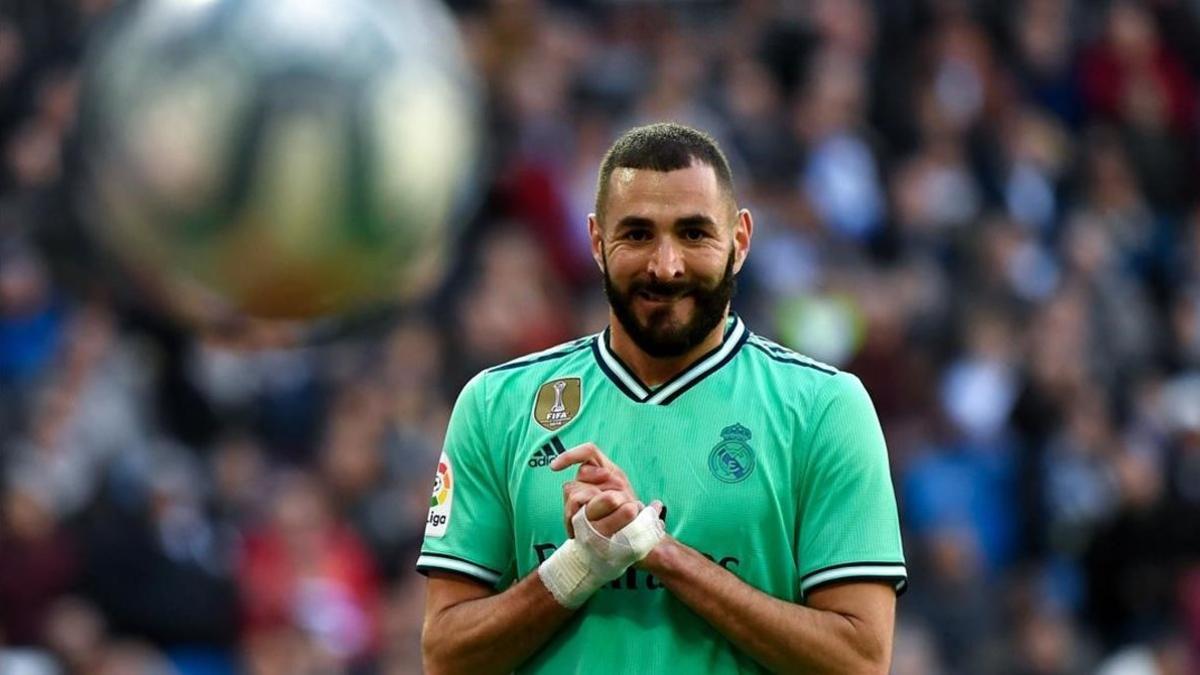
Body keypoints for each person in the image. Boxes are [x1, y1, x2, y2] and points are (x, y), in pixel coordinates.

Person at [417, 122, 906, 674]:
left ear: (740, 240)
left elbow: (859, 661)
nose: (665, 265)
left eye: (694, 234)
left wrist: (656, 551)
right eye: (638, 234)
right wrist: (575, 566)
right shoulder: (496, 404)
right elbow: (445, 655)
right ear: (598, 242)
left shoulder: (825, 409)